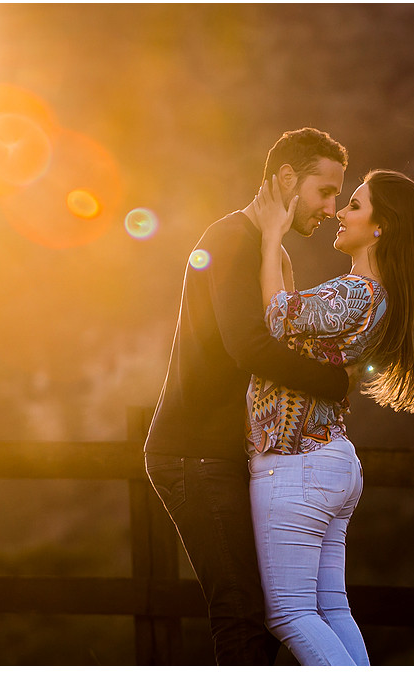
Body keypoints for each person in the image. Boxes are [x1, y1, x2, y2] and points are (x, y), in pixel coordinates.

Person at [144, 127, 360, 665]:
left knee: (263, 614)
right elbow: (249, 346)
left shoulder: (261, 249)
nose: (332, 208)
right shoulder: (231, 240)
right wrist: (335, 382)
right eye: (325, 192)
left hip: (222, 452)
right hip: (193, 453)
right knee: (241, 614)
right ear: (287, 178)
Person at [247, 168, 414, 665]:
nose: (341, 212)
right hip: (329, 465)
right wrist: (280, 256)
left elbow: (276, 319)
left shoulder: (357, 292)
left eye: (355, 205)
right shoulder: (375, 295)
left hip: (297, 464)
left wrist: (272, 236)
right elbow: (295, 322)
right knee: (330, 608)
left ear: (381, 226)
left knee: (290, 614)